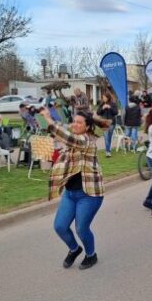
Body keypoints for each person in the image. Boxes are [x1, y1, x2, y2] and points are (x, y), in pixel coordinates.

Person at [40, 107, 111, 270]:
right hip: (70, 193)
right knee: (60, 226)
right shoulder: (72, 140)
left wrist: (49, 120)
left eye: (80, 122)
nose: (75, 124)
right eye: (74, 121)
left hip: (89, 194)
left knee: (81, 228)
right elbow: (62, 136)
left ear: (87, 127)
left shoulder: (87, 141)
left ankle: (91, 255)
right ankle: (74, 249)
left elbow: (68, 137)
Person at [97, 92, 119, 157]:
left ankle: (108, 149)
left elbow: (116, 112)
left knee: (109, 137)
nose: (103, 98)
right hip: (104, 123)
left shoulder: (113, 104)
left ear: (108, 97)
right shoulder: (101, 104)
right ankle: (107, 152)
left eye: (104, 97)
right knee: (106, 137)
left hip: (111, 123)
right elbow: (98, 112)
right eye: (102, 97)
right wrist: (102, 108)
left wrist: (110, 107)